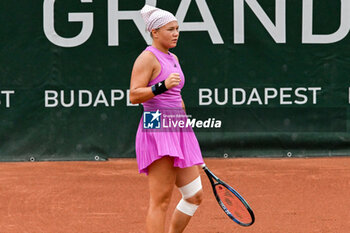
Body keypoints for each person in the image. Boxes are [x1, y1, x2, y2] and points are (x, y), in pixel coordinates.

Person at [129, 5, 204, 233]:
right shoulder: (147, 58)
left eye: (177, 29)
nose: (175, 33)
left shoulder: (173, 57)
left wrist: (184, 127)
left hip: (177, 127)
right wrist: (161, 86)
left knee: (194, 195)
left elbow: (176, 97)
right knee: (161, 201)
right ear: (154, 32)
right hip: (157, 128)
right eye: (170, 29)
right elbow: (134, 95)